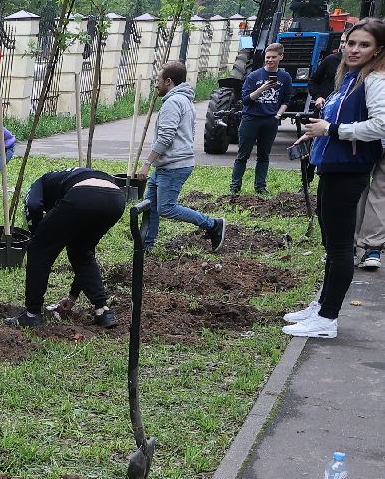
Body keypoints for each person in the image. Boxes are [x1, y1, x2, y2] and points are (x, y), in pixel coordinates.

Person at [284, 18, 385, 339]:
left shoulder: (375, 80)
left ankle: (328, 319)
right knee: (330, 244)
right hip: (333, 166)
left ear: (378, 50)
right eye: (351, 43)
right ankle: (321, 305)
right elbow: (333, 119)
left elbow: (382, 125)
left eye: (364, 45)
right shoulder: (351, 77)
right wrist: (315, 136)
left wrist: (332, 131)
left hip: (349, 171)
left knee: (340, 248)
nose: (355, 50)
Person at [7, 168, 126, 330]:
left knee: (37, 249)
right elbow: (83, 256)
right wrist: (72, 297)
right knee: (82, 251)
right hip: (116, 199)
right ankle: (103, 310)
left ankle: (32, 315)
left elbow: (33, 206)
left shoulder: (41, 181)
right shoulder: (65, 179)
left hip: (83, 194)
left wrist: (38, 237)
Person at [138, 61, 227, 252]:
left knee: (166, 208)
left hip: (174, 165)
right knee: (151, 205)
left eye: (157, 80)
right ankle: (147, 245)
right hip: (168, 164)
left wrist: (147, 164)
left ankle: (213, 225)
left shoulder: (173, 102)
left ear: (168, 81)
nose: (156, 85)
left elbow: (166, 138)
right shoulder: (184, 100)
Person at [230, 44, 292, 196]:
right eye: (267, 57)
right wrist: (262, 88)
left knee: (264, 155)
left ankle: (260, 187)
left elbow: (286, 100)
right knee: (243, 154)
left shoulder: (285, 77)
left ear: (280, 57)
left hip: (270, 121)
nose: (270, 60)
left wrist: (278, 116)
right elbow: (245, 100)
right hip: (251, 119)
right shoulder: (254, 76)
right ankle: (234, 186)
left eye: (273, 57)